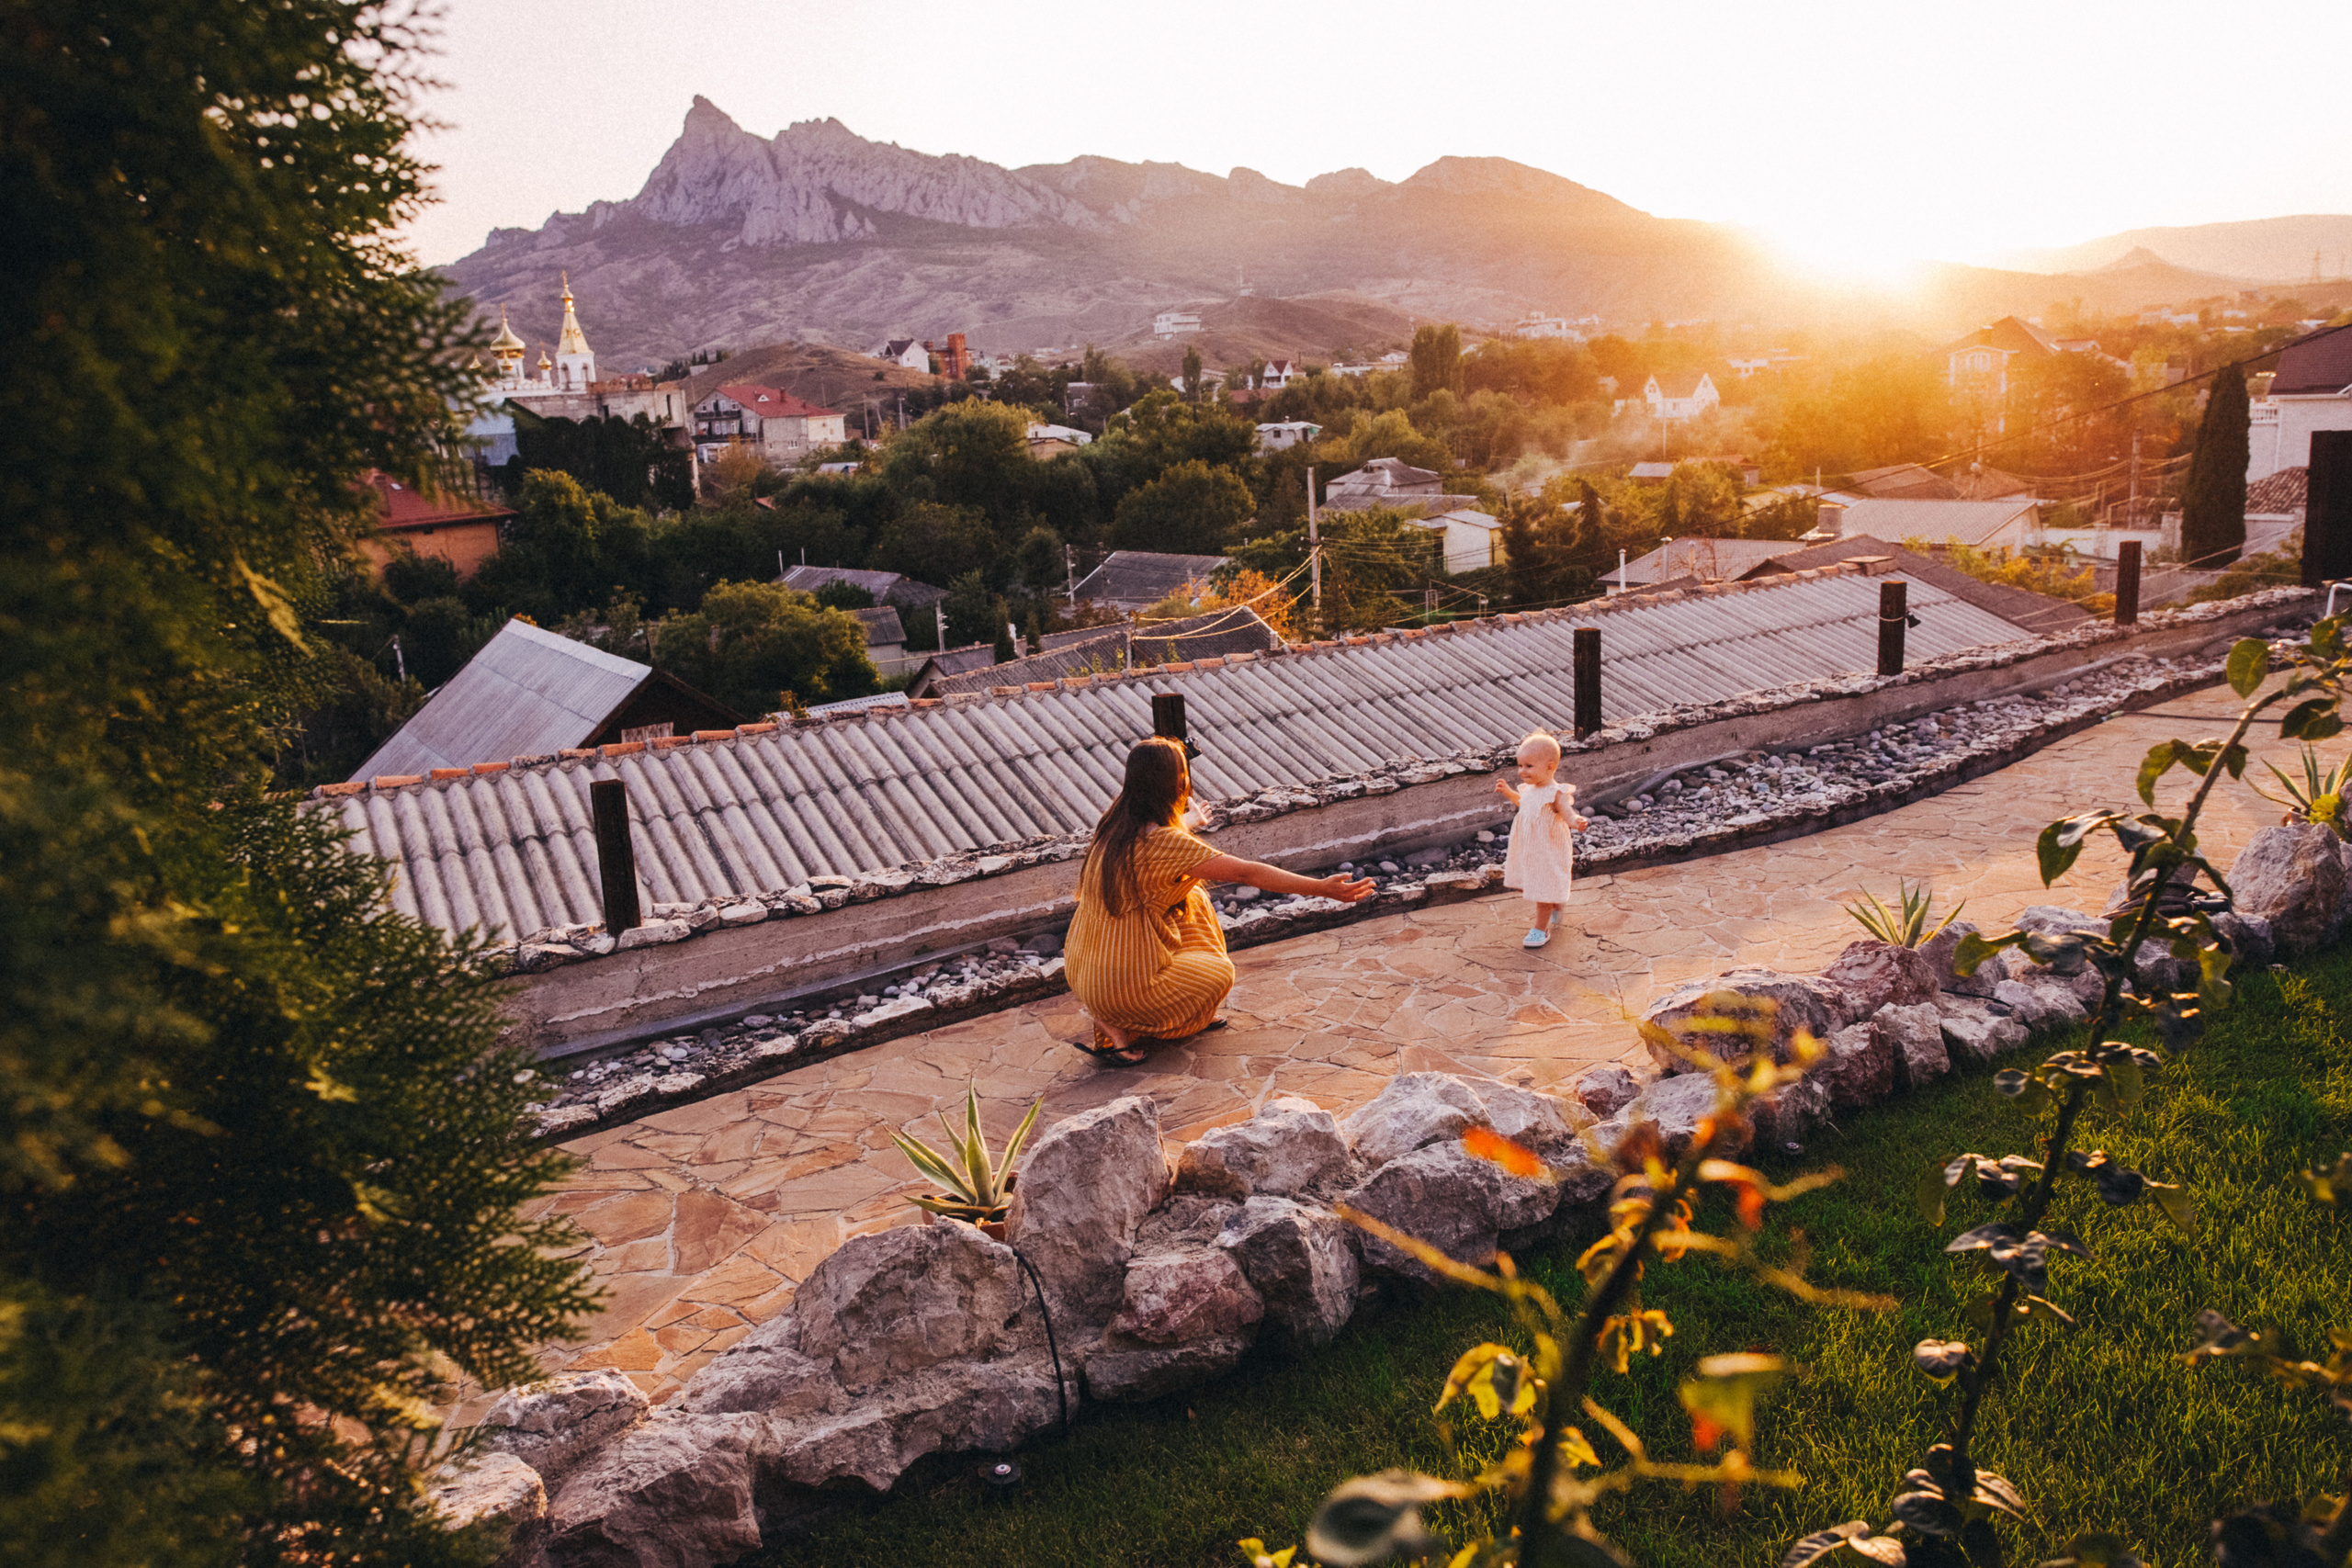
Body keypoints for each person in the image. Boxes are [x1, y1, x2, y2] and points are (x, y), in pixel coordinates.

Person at [1065, 737, 1375, 1066]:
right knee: (1219, 976)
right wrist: (1322, 888)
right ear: (1177, 782)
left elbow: (1153, 841)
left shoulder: (1115, 823)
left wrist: (1189, 821)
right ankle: (1123, 1023)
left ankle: (1115, 1014)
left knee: (1192, 895)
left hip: (1086, 970)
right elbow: (1246, 873)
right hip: (1122, 985)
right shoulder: (1165, 843)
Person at [1495, 729, 1589, 948]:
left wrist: (1576, 822)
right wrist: (1509, 793)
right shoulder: (1528, 789)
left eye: (1528, 766)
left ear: (1549, 766)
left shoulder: (1556, 793)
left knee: (1541, 888)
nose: (1522, 771)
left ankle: (1540, 929)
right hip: (1529, 848)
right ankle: (1556, 903)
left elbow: (1567, 813)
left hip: (1548, 849)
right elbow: (1525, 803)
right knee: (1533, 882)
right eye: (1520, 766)